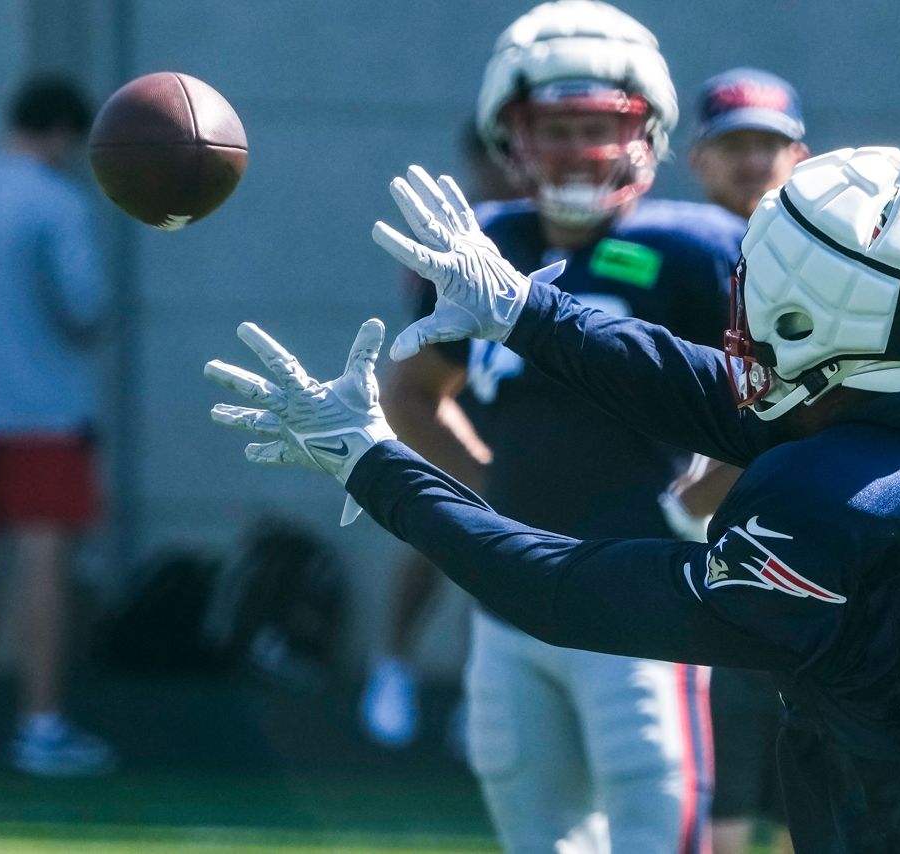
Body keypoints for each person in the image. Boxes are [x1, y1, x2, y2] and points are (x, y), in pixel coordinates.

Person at [207, 147, 900, 852]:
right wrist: (527, 309)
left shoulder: (841, 504)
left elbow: (571, 587)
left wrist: (372, 465)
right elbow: (725, 397)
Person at [363, 2, 742, 849]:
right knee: (535, 833)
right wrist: (486, 493)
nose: (576, 148)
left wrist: (696, 507)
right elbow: (413, 390)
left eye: (595, 125)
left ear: (646, 132)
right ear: (511, 137)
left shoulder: (698, 246)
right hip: (512, 593)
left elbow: (768, 406)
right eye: (555, 126)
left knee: (657, 822)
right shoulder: (484, 241)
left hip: (644, 588)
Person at [359, 119, 517, 751]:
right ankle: (392, 665)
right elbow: (428, 351)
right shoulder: (458, 236)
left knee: (515, 551)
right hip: (456, 403)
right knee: (433, 539)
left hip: (527, 411)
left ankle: (486, 687)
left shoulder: (549, 228)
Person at [682, 67, 809, 854]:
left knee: (815, 770)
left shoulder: (825, 263)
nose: (753, 160)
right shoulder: (669, 253)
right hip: (700, 548)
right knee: (717, 774)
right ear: (698, 158)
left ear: (801, 154)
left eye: (768, 143)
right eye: (735, 144)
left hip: (808, 542)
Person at [0, 74, 117, 777]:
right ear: (64, 133)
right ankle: (41, 725)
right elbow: (86, 309)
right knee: (43, 564)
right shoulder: (54, 202)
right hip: (42, 412)